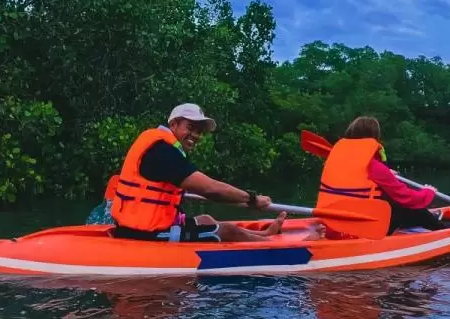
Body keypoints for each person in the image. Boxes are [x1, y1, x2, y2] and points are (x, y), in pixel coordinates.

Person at [107, 103, 317, 243]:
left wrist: (247, 203)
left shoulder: (163, 148)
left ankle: (264, 234)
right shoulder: (162, 152)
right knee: (227, 231)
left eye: (199, 131)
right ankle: (280, 245)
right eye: (191, 127)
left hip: (149, 228)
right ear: (173, 124)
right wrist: (252, 199)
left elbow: (211, 192)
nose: (196, 135)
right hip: (145, 236)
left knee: (206, 218)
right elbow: (210, 189)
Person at [317, 116, 450, 235]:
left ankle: (432, 222)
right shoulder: (375, 168)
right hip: (363, 228)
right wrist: (428, 192)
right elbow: (408, 198)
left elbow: (361, 179)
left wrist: (386, 174)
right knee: (412, 208)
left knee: (396, 204)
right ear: (374, 137)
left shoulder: (337, 161)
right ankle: (445, 231)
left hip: (336, 224)